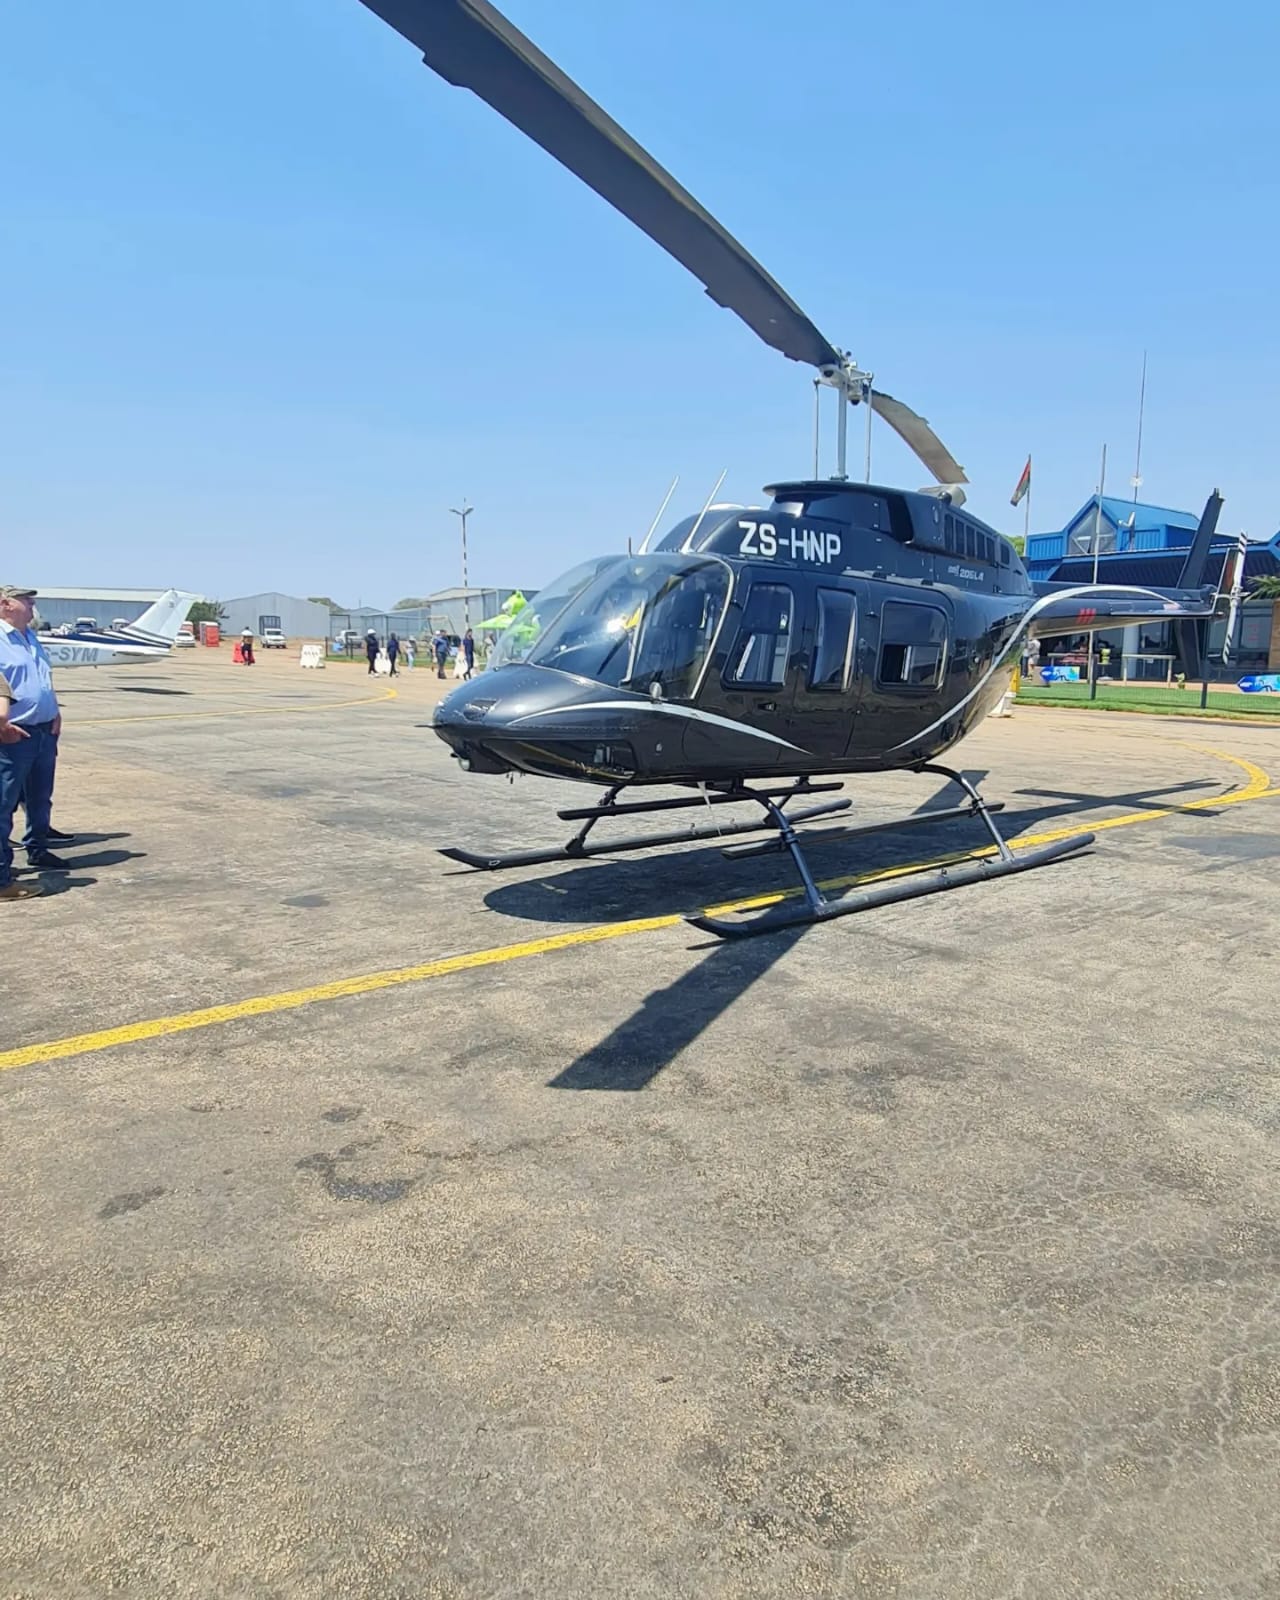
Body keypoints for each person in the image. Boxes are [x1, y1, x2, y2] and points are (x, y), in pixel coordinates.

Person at [0, 584, 69, 901]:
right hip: (13, 735)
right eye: (25, 600)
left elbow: (43, 679)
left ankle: (38, 849)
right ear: (5, 604)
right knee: (4, 805)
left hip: (44, 730)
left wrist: (54, 710)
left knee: (41, 798)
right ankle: (2, 877)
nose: (31, 605)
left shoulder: (30, 637)